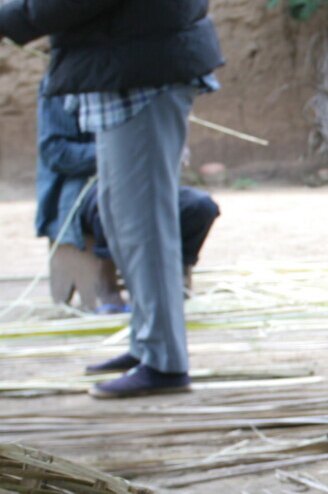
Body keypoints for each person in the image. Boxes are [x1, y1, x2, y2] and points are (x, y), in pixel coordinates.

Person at [0, 0, 223, 398]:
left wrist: (12, 18)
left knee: (144, 223)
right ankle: (149, 343)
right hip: (129, 69)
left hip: (141, 73)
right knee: (126, 220)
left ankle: (166, 363)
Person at [36, 85, 220, 319]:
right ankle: (105, 285)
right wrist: (123, 150)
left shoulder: (141, 76)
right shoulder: (63, 81)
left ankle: (176, 280)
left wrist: (171, 147)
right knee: (114, 201)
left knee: (199, 206)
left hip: (145, 184)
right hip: (81, 190)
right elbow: (56, 153)